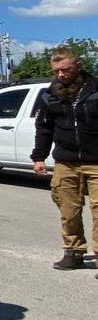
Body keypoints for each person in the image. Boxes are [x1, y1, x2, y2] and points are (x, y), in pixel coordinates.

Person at [31, 46, 98, 273]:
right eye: (57, 71)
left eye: (65, 70)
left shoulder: (95, 90)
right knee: (68, 211)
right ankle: (74, 252)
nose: (61, 75)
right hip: (66, 162)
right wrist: (38, 157)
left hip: (96, 162)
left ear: (78, 66)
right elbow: (43, 128)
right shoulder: (50, 95)